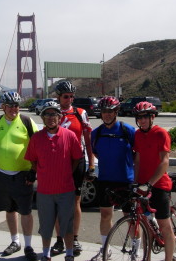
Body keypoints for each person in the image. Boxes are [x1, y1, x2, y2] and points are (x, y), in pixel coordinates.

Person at [25, 101, 83, 261]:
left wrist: (67, 172)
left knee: (67, 225)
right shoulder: (36, 138)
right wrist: (41, 172)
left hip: (66, 190)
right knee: (46, 226)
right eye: (47, 114)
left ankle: (69, 253)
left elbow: (77, 158)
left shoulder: (69, 136)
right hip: (44, 191)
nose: (51, 117)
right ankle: (46, 254)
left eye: (54, 114)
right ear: (42, 117)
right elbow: (32, 160)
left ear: (60, 117)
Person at [0, 91, 39, 261]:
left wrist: (33, 170)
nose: (14, 108)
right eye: (10, 105)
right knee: (10, 209)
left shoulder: (26, 121)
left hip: (22, 173)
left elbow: (37, 144)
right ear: (3, 107)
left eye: (16, 105)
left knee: (26, 211)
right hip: (2, 174)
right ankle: (15, 241)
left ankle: (28, 245)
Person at [89, 96, 136, 260]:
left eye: (110, 111)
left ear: (116, 112)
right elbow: (96, 153)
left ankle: (135, 251)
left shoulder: (127, 130)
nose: (107, 115)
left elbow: (137, 154)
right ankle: (105, 249)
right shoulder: (96, 133)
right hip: (105, 180)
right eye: (104, 112)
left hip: (125, 181)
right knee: (105, 215)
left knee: (130, 218)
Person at [51, 81, 94, 256]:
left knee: (75, 201)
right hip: (57, 163)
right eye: (65, 96)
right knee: (57, 203)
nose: (69, 99)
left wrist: (91, 164)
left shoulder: (80, 113)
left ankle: (74, 238)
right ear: (58, 97)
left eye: (71, 96)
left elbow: (88, 141)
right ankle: (60, 240)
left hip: (77, 162)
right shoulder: (52, 113)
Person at [132, 101, 175, 261]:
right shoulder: (137, 135)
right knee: (146, 225)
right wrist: (135, 182)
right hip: (143, 186)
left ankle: (168, 259)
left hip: (159, 185)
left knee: (164, 225)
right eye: (139, 117)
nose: (141, 120)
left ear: (152, 117)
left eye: (144, 117)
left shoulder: (161, 133)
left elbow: (164, 161)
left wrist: (150, 183)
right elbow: (138, 159)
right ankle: (147, 258)